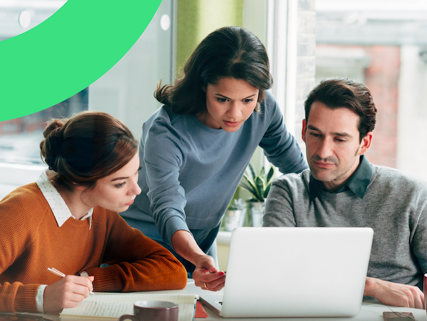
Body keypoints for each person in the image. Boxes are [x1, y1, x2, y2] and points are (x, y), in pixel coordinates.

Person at [262, 78, 427, 319]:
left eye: (340, 139)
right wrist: (373, 287)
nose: (323, 151)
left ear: (364, 142)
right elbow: (278, 281)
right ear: (304, 130)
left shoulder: (413, 193)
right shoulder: (286, 192)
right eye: (316, 134)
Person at [0, 112, 187, 319]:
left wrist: (88, 282)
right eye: (120, 183)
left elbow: (172, 270)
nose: (137, 189)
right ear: (79, 182)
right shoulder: (19, 212)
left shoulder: (99, 214)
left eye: (136, 174)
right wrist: (42, 297)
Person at [120, 26, 308, 292]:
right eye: (222, 99)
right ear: (202, 85)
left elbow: (297, 170)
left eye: (247, 99)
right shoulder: (165, 130)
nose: (236, 112)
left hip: (201, 247)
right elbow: (167, 207)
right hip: (142, 242)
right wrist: (196, 257)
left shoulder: (263, 111)